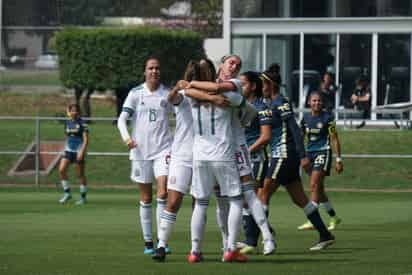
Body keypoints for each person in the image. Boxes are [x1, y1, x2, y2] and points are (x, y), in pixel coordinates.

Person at [187, 55, 275, 258]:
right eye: (231, 63)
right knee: (221, 201)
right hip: (219, 150)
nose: (234, 67)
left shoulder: (234, 85)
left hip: (234, 147)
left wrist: (242, 122)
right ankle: (227, 243)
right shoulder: (206, 88)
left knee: (248, 194)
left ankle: (267, 237)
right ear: (220, 66)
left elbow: (251, 110)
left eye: (237, 64)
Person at [152, 59, 230, 262]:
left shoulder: (215, 95)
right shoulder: (185, 94)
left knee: (200, 203)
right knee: (174, 200)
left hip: (205, 156)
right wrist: (178, 88)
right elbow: (172, 99)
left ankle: (197, 249)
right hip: (182, 156)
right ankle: (161, 245)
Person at [256, 63, 335, 251]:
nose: (262, 89)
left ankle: (258, 237)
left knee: (263, 194)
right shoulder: (271, 103)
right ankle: (325, 234)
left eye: (263, 85)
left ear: (272, 85)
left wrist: (303, 156)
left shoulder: (280, 102)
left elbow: (294, 129)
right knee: (300, 199)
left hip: (283, 155)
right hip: (284, 156)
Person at [182, 55, 249, 263]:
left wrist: (193, 86)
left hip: (200, 155)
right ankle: (230, 249)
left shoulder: (192, 95)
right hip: (222, 153)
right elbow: (243, 104)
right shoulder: (229, 94)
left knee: (201, 203)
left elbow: (185, 89)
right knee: (236, 200)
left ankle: (194, 251)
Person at [117, 57, 173, 255]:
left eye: (157, 68)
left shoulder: (168, 94)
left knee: (163, 192)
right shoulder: (135, 93)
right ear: (145, 71)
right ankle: (148, 241)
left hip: (163, 150)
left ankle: (161, 241)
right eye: (151, 68)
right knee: (146, 198)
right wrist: (127, 139)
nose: (154, 71)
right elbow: (122, 120)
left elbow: (182, 114)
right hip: (140, 152)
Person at [237, 71, 274, 254]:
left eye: (243, 83)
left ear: (252, 86)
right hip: (240, 158)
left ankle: (264, 238)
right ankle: (251, 239)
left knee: (251, 197)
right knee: (244, 200)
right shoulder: (239, 105)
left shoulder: (262, 107)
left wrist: (247, 150)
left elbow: (266, 137)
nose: (239, 86)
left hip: (255, 158)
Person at [298, 91, 343, 231]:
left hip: (323, 152)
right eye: (314, 100)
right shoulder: (305, 119)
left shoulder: (328, 119)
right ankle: (334, 217)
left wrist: (338, 159)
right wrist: (301, 156)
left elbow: (335, 138)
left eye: (319, 101)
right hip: (309, 155)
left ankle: (312, 219)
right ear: (309, 103)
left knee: (313, 184)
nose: (316, 103)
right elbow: (300, 138)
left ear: (322, 103)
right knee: (319, 189)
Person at [58, 103, 89, 205]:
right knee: (61, 170)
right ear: (69, 112)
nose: (74, 112)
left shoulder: (82, 123)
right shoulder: (67, 123)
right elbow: (67, 137)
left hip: (78, 151)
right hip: (68, 151)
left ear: (78, 112)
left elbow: (85, 140)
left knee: (80, 175)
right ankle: (67, 193)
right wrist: (64, 148)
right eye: (72, 110)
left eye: (76, 110)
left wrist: (82, 152)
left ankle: (83, 198)